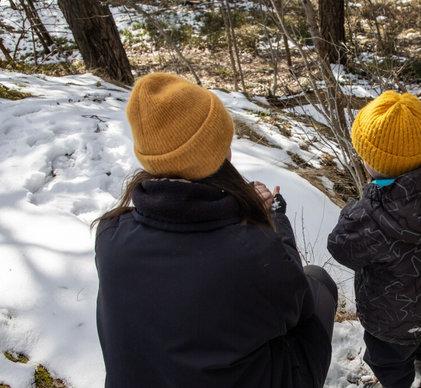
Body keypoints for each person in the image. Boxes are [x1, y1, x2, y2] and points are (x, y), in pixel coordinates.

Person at [93, 73, 338, 387]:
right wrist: (273, 220)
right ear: (216, 151)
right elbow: (297, 305)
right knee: (318, 281)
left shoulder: (110, 233)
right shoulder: (250, 250)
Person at [327, 91, 421, 388]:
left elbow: (339, 247)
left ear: (372, 163)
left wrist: (366, 201)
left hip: (389, 323)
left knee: (389, 363)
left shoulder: (369, 216)